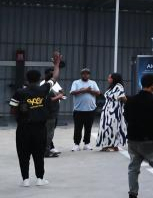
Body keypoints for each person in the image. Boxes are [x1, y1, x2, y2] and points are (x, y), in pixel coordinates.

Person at [8, 52, 61, 186]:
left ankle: (25, 180)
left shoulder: (20, 92)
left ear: (27, 79)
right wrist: (56, 64)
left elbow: (12, 110)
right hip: (39, 128)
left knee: (23, 154)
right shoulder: (43, 89)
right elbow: (54, 77)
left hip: (23, 128)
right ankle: (40, 179)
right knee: (39, 154)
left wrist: (22, 114)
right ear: (39, 79)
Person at [69, 68, 101, 151]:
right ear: (81, 75)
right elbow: (72, 92)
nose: (85, 75)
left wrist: (89, 91)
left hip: (90, 110)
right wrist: (84, 90)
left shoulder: (93, 83)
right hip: (78, 110)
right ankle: (76, 144)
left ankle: (87, 144)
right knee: (78, 128)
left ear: (89, 75)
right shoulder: (76, 82)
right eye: (83, 73)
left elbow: (98, 93)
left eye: (87, 74)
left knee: (88, 128)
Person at [96, 73, 128, 152]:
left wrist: (127, 104)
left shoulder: (119, 86)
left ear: (114, 79)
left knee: (113, 127)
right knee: (105, 128)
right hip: (107, 111)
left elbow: (123, 97)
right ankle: (107, 145)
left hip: (114, 111)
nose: (108, 79)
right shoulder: (111, 87)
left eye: (109, 78)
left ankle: (114, 146)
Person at [43, 62, 65, 157]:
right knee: (48, 133)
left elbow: (60, 92)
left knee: (49, 132)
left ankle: (48, 148)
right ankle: (46, 150)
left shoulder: (51, 86)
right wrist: (59, 96)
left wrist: (59, 94)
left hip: (53, 113)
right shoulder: (45, 85)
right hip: (49, 114)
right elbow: (49, 99)